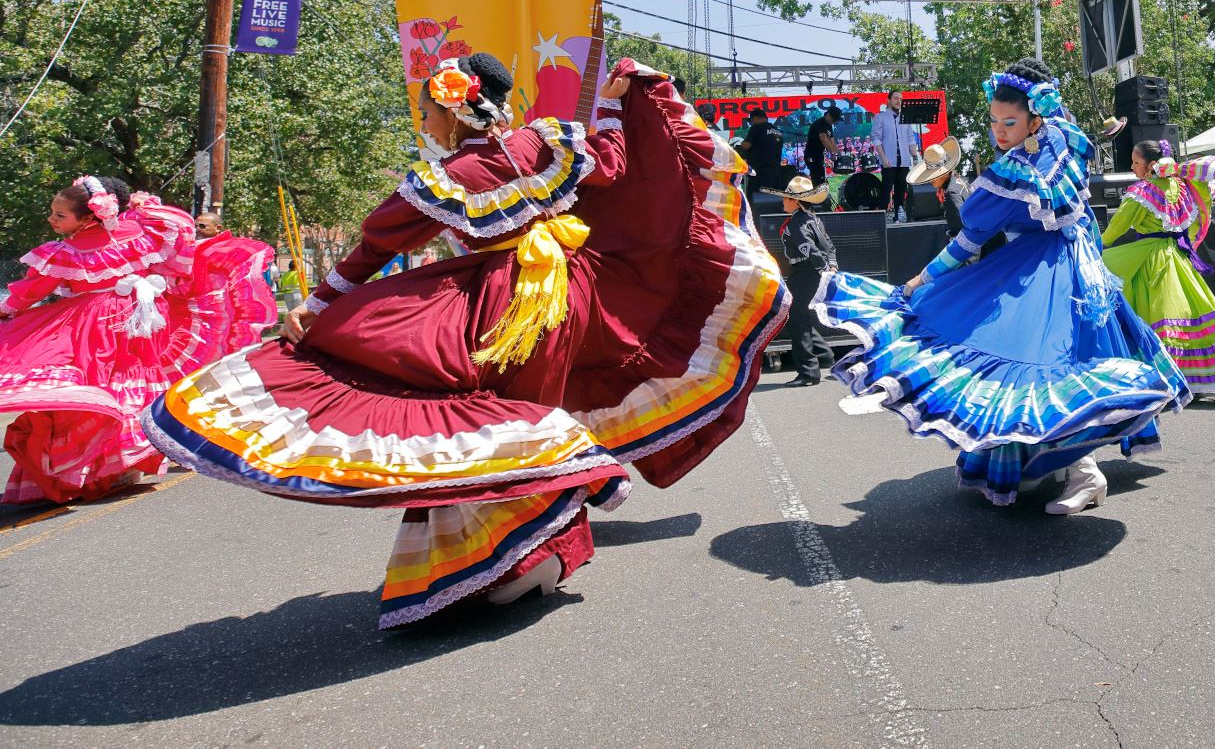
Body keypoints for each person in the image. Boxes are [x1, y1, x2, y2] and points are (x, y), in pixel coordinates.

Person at [145, 53, 788, 628]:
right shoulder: (547, 142)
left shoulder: (452, 175)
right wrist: (621, 102)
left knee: (460, 404)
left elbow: (374, 247)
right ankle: (540, 542)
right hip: (573, 296)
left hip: (501, 307)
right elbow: (619, 162)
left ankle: (520, 547)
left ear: (454, 111)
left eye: (427, 111)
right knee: (531, 406)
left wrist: (316, 307)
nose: (424, 122)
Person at [813, 58, 1188, 513]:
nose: (999, 130)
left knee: (1052, 366)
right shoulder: (1053, 147)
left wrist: (924, 277)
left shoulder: (1033, 160)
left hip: (1056, 276)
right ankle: (1035, 465)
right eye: (994, 121)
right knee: (1034, 365)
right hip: (1052, 269)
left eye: (1009, 122)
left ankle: (1086, 473)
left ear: (1035, 119)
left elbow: (968, 242)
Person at [0, 176, 209, 503]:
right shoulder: (139, 233)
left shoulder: (66, 251)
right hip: (140, 318)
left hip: (97, 323)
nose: (51, 219)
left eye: (60, 215)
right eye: (53, 213)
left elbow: (30, 291)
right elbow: (178, 227)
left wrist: (6, 310)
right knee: (125, 385)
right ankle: (121, 464)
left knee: (96, 389)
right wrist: (138, 207)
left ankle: (89, 469)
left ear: (88, 217)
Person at [1101, 140, 1215, 398]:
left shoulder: (1142, 192)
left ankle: (1163, 379)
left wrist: (1097, 244)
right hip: (1177, 256)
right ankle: (1197, 377)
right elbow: (1194, 222)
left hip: (1150, 260)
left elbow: (1116, 228)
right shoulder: (1182, 186)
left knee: (1157, 315)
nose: (1132, 167)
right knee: (1191, 313)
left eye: (1136, 162)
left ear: (1151, 165)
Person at [177, 204, 277, 360]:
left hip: (220, 306)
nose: (197, 229)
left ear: (217, 228)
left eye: (202, 226)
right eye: (196, 226)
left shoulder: (227, 248)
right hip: (192, 304)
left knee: (221, 342)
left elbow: (241, 265)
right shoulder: (191, 247)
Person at [769, 175, 838, 384]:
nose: (783, 201)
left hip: (805, 273)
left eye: (786, 198)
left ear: (795, 201)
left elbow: (811, 250)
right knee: (797, 316)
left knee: (798, 319)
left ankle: (808, 372)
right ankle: (824, 355)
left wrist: (824, 269)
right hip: (810, 273)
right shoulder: (813, 218)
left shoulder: (797, 223)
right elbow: (829, 246)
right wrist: (831, 266)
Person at [871, 92, 922, 225]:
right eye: (896, 98)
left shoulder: (905, 118)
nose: (899, 101)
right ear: (888, 100)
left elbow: (911, 139)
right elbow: (876, 139)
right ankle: (882, 216)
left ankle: (898, 215)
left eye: (901, 99)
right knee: (886, 188)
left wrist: (915, 156)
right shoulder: (880, 117)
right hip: (888, 160)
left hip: (904, 160)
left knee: (901, 188)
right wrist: (883, 158)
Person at [738, 108, 782, 196]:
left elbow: (747, 145)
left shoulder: (756, 127)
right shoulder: (777, 131)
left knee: (756, 198)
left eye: (751, 121)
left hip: (760, 172)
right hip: (776, 171)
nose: (751, 123)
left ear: (755, 119)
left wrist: (740, 146)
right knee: (773, 198)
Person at [805, 107, 843, 187]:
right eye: (834, 119)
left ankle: (822, 193)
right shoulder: (820, 123)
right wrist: (833, 153)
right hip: (812, 156)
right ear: (828, 115)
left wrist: (839, 154)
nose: (835, 122)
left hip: (819, 156)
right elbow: (824, 139)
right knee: (818, 180)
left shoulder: (829, 125)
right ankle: (818, 194)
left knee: (822, 180)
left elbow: (832, 141)